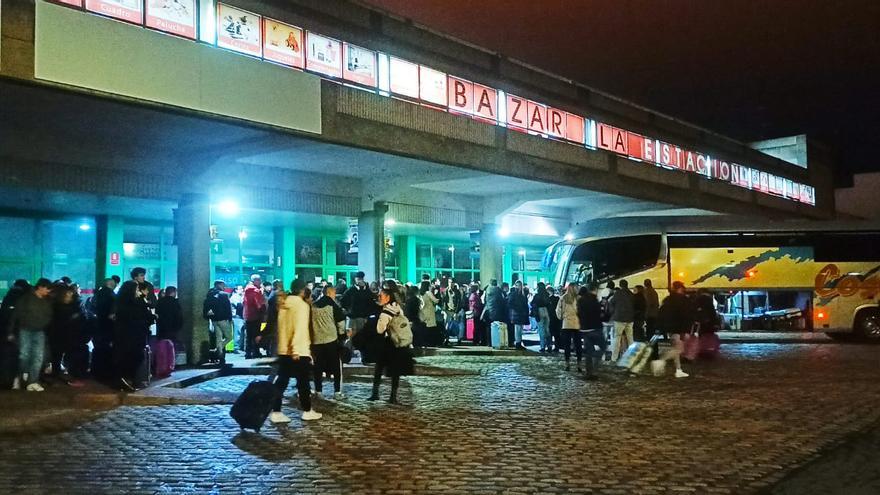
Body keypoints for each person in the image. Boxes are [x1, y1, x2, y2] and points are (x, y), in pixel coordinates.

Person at [269, 278, 322, 423]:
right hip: (298, 349)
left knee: (282, 380)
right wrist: (296, 349)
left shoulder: (284, 304)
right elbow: (299, 328)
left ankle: (276, 410)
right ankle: (307, 410)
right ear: (302, 290)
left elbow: (282, 328)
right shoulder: (302, 306)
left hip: (284, 348)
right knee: (303, 382)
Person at [369, 282, 415, 404]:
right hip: (398, 343)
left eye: (381, 296)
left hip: (388, 343)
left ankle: (375, 393)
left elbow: (380, 329)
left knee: (379, 368)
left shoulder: (386, 312)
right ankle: (393, 396)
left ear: (388, 297)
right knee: (396, 371)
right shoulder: (398, 307)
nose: (379, 298)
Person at [6, 279, 54, 391]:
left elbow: (49, 315)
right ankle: (23, 376)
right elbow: (15, 315)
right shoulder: (26, 299)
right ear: (40, 287)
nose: (49, 291)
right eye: (47, 288)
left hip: (38, 330)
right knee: (25, 355)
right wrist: (11, 331)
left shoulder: (45, 300)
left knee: (37, 357)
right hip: (26, 330)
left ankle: (31, 380)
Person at [114, 280, 154, 391]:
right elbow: (138, 318)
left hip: (133, 335)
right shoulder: (129, 305)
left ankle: (127, 380)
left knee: (134, 357)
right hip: (131, 336)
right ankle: (125, 380)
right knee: (131, 358)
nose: (138, 292)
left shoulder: (127, 302)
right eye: (136, 290)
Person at [311, 286, 347, 400]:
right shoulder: (333, 305)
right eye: (334, 292)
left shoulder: (314, 306)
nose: (334, 295)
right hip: (331, 339)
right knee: (336, 366)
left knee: (318, 367)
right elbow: (340, 322)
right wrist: (342, 336)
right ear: (329, 292)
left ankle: (318, 391)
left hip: (316, 340)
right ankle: (337, 392)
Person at [657, 281, 691, 378]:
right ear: (680, 289)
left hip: (670, 327)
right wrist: (686, 329)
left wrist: (661, 326)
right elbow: (686, 315)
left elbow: (661, 313)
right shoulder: (683, 300)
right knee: (678, 349)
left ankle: (678, 370)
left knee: (676, 348)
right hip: (679, 328)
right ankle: (661, 360)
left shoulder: (667, 300)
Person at [578, 283, 605, 380]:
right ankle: (594, 369)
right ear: (595, 289)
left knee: (588, 352)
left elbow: (579, 313)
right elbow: (600, 314)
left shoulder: (580, 300)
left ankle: (589, 373)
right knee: (603, 347)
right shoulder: (595, 300)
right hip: (595, 328)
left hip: (584, 329)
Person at [203, 280, 233, 365]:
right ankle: (218, 351)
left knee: (218, 338)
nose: (224, 287)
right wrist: (230, 319)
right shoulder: (223, 295)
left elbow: (207, 306)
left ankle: (219, 355)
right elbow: (228, 308)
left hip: (214, 320)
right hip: (223, 319)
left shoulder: (209, 294)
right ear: (219, 285)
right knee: (229, 337)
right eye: (223, 285)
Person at [341, 271, 377, 340]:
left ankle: (354, 349)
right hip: (358, 316)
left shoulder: (354, 290)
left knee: (355, 336)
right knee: (356, 336)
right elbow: (371, 303)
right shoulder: (364, 290)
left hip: (356, 317)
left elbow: (343, 300)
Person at [556, 283, 581, 371]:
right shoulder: (578, 299)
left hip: (566, 324)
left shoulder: (562, 298)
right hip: (576, 324)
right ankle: (579, 364)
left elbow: (558, 310)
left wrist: (562, 317)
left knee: (567, 345)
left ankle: (567, 364)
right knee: (578, 345)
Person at [609, 279, 635, 361]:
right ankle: (632, 357)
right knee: (630, 338)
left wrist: (614, 312)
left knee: (617, 338)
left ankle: (614, 358)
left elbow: (611, 303)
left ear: (620, 285)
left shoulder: (618, 293)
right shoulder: (631, 294)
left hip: (619, 318)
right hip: (630, 319)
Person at [242, 275, 266, 359]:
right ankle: (256, 352)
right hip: (255, 315)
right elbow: (259, 304)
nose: (260, 282)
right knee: (256, 335)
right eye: (259, 280)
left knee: (248, 336)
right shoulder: (256, 291)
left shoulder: (246, 290)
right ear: (255, 280)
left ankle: (248, 353)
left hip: (247, 315)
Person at [260, 280, 285, 357]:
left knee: (273, 339)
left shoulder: (272, 294)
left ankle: (271, 353)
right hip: (276, 320)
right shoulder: (276, 295)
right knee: (275, 340)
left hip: (273, 319)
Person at [482, 279, 507, 348]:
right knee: (497, 327)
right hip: (497, 311)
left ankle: (489, 342)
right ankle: (496, 342)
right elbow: (502, 300)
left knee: (488, 327)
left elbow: (484, 300)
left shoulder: (487, 290)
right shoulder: (498, 290)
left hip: (488, 311)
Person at [508, 280, 529, 350]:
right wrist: (517, 308)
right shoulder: (514, 294)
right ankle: (518, 343)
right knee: (518, 329)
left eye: (520, 285)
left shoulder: (523, 294)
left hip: (520, 314)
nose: (519, 287)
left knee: (520, 329)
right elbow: (510, 303)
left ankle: (519, 342)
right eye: (517, 285)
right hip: (517, 313)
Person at [531, 282, 552, 353]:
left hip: (539, 311)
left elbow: (532, 303)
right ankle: (549, 346)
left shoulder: (537, 296)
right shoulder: (547, 295)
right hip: (546, 312)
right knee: (547, 329)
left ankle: (542, 346)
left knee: (541, 329)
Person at [418, 281, 440, 346]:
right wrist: (437, 295)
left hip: (423, 311)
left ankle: (425, 341)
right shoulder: (428, 293)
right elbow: (435, 300)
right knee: (431, 327)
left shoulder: (420, 293)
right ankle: (431, 342)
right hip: (430, 311)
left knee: (425, 327)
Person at [547, 286, 562, 352]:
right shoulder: (557, 298)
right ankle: (557, 347)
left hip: (550, 318)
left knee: (550, 333)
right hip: (556, 318)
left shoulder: (548, 299)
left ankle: (550, 347)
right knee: (556, 334)